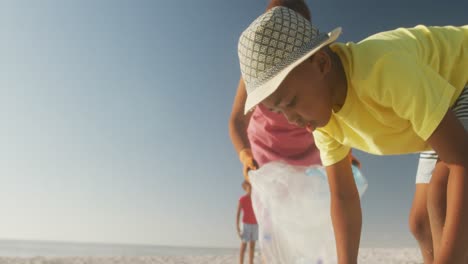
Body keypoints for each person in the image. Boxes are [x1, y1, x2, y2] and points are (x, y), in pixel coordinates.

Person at [236, 7, 468, 264]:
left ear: (322, 63)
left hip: (461, 75)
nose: (290, 119)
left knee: (442, 194)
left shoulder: (383, 69)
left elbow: (461, 158)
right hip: (436, 110)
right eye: (278, 111)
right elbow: (344, 197)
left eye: (290, 101)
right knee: (421, 222)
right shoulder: (324, 125)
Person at [236, 181, 258, 264]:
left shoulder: (256, 199)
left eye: (252, 187)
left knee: (252, 246)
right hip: (246, 224)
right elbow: (238, 214)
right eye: (249, 187)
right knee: (244, 245)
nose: (251, 189)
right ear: (245, 188)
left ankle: (251, 262)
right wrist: (237, 227)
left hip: (255, 224)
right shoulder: (242, 199)